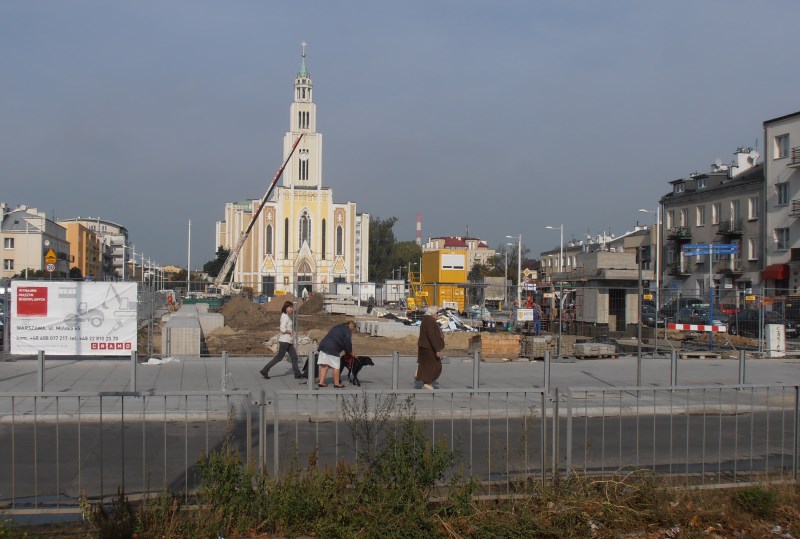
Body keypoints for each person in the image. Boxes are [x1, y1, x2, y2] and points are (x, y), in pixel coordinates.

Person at [260, 301, 303, 379]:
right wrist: (290, 332)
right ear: (286, 308)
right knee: (279, 357)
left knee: (294, 357)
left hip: (288, 341)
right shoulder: (285, 317)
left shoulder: (286, 316)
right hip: (285, 342)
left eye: (292, 307)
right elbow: (282, 329)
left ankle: (297, 374)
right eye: (290, 307)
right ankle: (265, 370)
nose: (292, 309)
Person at [317, 319, 357, 388]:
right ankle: (337, 383)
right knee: (336, 366)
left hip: (324, 345)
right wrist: (350, 352)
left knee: (324, 365)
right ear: (352, 327)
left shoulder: (337, 326)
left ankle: (321, 382)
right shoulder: (347, 331)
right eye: (353, 329)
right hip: (333, 349)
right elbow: (347, 343)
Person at [416, 305, 445, 390]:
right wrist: (437, 350)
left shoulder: (426, 320)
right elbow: (431, 336)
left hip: (426, 347)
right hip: (429, 348)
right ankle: (427, 383)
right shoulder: (429, 321)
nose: (437, 315)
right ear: (432, 313)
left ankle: (426, 382)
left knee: (427, 366)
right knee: (435, 366)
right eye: (436, 313)